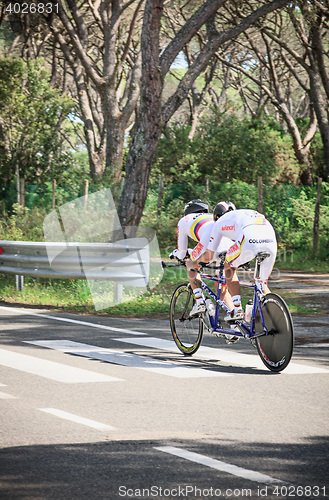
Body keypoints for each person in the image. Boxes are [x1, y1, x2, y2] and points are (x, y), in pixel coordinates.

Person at [207, 201, 277, 322]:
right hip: (270, 237)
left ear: (217, 216)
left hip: (250, 237)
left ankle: (237, 309)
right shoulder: (240, 214)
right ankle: (277, 318)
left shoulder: (219, 223)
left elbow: (209, 254)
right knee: (261, 283)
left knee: (228, 267)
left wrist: (196, 262)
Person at [169, 199, 233, 317]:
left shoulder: (184, 220)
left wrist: (176, 254)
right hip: (228, 246)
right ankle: (236, 324)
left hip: (210, 245)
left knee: (191, 264)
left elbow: (182, 253)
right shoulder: (211, 216)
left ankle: (200, 302)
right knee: (222, 289)